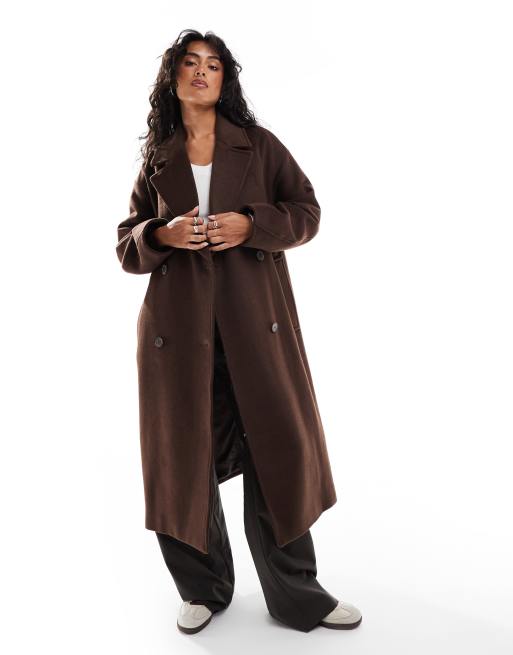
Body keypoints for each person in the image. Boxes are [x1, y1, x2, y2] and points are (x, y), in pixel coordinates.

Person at [116, 29, 362, 634]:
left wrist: (252, 225)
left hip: (255, 326)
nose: (202, 71)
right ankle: (202, 589)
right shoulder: (159, 157)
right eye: (190, 62)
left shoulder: (258, 146)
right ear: (173, 77)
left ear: (225, 80)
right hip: (176, 334)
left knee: (278, 451)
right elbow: (127, 243)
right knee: (183, 458)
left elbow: (307, 212)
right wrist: (162, 234)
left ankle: (298, 596)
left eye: (214, 64)